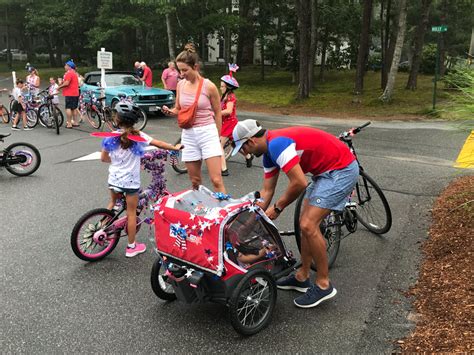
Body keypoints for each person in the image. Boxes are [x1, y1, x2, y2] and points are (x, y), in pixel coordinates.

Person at [231, 119, 359, 308]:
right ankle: (302, 277)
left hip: (341, 169)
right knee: (304, 224)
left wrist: (278, 208)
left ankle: (324, 285)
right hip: (323, 172)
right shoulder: (268, 154)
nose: (245, 154)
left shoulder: (277, 144)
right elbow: (266, 192)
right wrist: (248, 223)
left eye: (243, 149)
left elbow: (299, 183)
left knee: (308, 225)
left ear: (250, 141)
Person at [100, 103, 182, 257]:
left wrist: (118, 162)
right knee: (131, 213)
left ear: (117, 119)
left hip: (114, 179)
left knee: (111, 205)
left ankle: (101, 229)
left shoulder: (111, 137)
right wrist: (175, 147)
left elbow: (103, 158)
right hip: (130, 183)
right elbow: (159, 144)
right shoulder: (139, 136)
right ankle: (131, 247)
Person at [161, 43, 226, 193]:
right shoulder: (181, 85)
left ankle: (224, 213)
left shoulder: (209, 86)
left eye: (185, 70)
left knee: (216, 180)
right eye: (179, 70)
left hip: (207, 132)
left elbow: (217, 112)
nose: (181, 74)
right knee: (195, 181)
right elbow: (179, 108)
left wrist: (217, 136)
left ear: (195, 67)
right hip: (189, 135)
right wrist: (170, 111)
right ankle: (199, 209)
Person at [219, 63, 253, 176]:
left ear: (228, 87)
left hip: (230, 124)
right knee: (235, 144)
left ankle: (223, 169)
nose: (220, 88)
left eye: (222, 86)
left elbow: (228, 111)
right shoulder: (223, 97)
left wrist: (216, 113)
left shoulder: (230, 97)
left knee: (219, 145)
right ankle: (248, 156)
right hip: (224, 123)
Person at [56, 60, 80, 128]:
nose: (64, 66)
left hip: (69, 93)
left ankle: (69, 123)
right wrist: (61, 82)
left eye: (66, 65)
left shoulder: (69, 73)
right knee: (74, 108)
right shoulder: (74, 73)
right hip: (75, 93)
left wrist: (59, 87)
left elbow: (67, 83)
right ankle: (75, 122)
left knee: (68, 108)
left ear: (69, 67)